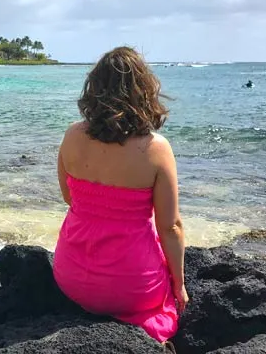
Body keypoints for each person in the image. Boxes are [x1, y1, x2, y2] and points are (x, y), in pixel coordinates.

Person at [53, 46, 186, 344]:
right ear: (144, 90)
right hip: (131, 288)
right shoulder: (156, 149)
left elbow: (69, 198)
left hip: (70, 277)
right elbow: (170, 226)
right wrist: (178, 284)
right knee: (162, 304)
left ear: (94, 89)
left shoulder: (72, 135)